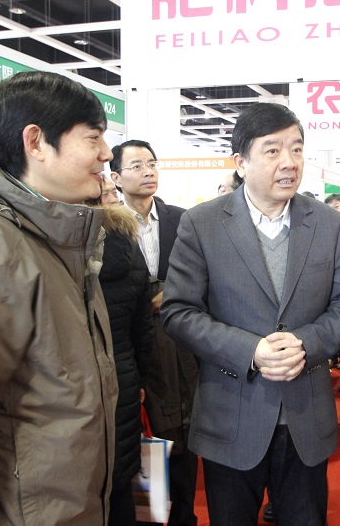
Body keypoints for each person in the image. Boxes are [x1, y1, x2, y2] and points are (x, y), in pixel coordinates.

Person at [160, 102, 340, 526]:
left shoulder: (327, 223)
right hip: (230, 415)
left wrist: (307, 343)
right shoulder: (202, 223)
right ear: (241, 162)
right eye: (272, 150)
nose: (289, 162)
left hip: (305, 416)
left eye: (297, 149)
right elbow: (178, 310)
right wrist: (250, 350)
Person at [0, 70, 117, 523]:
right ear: (36, 142)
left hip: (68, 502)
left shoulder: (58, 233)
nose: (106, 153)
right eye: (93, 137)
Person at [110, 140, 200, 526]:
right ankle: (148, 515)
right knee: (144, 434)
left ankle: (183, 516)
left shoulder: (183, 220)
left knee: (185, 430)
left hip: (181, 343)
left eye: (151, 163)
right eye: (136, 166)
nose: (148, 171)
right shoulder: (106, 222)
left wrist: (175, 292)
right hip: (133, 344)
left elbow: (204, 273)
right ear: (116, 177)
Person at [89, 186, 155, 525]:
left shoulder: (57, 244)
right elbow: (143, 329)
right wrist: (139, 379)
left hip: (76, 385)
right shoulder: (129, 244)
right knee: (120, 483)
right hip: (124, 378)